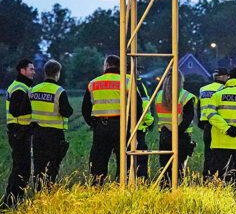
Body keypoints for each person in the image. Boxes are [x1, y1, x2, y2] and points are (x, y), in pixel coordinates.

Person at [82, 55, 144, 185]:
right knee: (124, 159)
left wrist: (93, 124)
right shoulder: (127, 82)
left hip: (100, 127)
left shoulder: (93, 83)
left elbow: (85, 109)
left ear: (106, 66)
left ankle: (97, 186)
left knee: (98, 160)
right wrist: (132, 127)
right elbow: (138, 107)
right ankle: (122, 186)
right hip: (121, 126)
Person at [29, 60, 71, 188]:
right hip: (54, 135)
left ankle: (38, 190)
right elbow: (66, 111)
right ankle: (48, 190)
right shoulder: (59, 91)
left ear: (45, 73)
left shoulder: (33, 90)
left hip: (37, 134)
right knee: (52, 166)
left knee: (38, 166)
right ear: (57, 73)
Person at [1, 59, 35, 208]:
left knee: (19, 167)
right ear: (23, 70)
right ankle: (12, 202)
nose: (34, 72)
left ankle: (10, 201)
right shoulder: (20, 88)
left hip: (17, 132)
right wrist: (30, 109)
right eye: (31, 69)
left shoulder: (18, 86)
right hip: (20, 132)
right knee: (22, 169)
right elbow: (16, 110)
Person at [156, 71, 197, 187]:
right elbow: (188, 119)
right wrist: (176, 133)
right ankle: (176, 193)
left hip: (164, 136)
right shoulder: (186, 96)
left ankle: (164, 192)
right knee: (178, 170)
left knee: (164, 168)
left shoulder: (159, 96)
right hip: (181, 137)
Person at [198, 68, 228, 178]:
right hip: (218, 125)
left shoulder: (203, 89)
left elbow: (199, 106)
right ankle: (218, 178)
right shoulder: (224, 89)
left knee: (208, 153)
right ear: (223, 77)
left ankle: (206, 177)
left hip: (206, 124)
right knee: (220, 154)